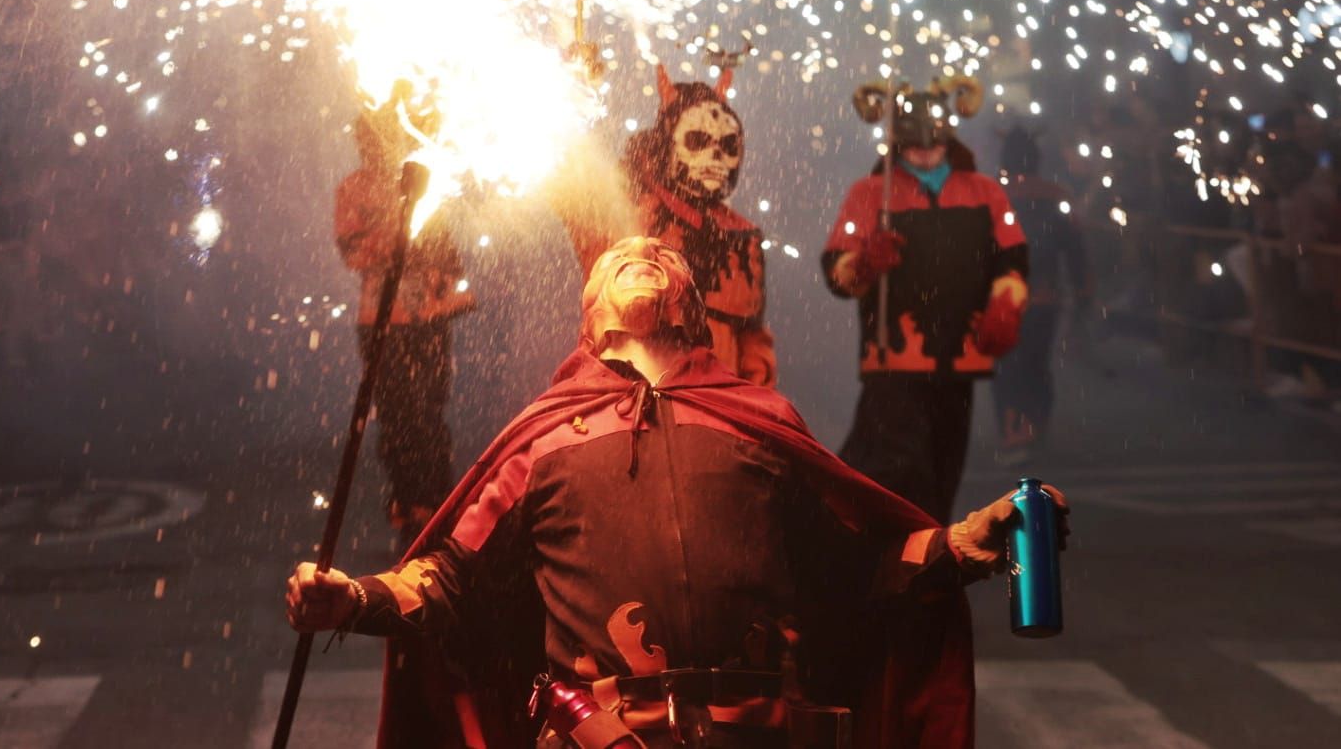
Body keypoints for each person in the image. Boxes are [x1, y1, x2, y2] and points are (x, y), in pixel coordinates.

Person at [286, 237, 1068, 748]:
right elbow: (450, 578)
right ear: (589, 322)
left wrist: (963, 544)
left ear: (692, 311)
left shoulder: (759, 421)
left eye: (661, 258)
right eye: (620, 260)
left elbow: (855, 566)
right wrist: (352, 601)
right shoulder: (544, 436)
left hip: (758, 734)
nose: (643, 255)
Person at [822, 78, 1029, 523]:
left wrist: (1005, 305)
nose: (923, 154)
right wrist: (864, 264)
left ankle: (923, 557)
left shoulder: (985, 192)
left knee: (941, 469)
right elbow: (837, 269)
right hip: (895, 357)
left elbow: (1013, 258)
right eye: (913, 146)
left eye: (932, 144)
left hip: (962, 357)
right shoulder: (869, 193)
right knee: (893, 469)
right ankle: (883, 553)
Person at [560, 64, 775, 386]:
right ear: (667, 144)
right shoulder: (630, 212)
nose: (716, 156)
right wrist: (571, 95)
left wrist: (756, 408)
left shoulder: (742, 237)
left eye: (728, 145)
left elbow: (752, 340)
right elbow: (574, 192)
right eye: (698, 140)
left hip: (717, 408)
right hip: (632, 401)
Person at [334, 90, 474, 543]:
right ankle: (408, 503)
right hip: (382, 323)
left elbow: (448, 257)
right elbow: (352, 252)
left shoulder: (422, 182)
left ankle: (434, 503)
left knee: (430, 412)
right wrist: (394, 233)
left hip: (427, 322)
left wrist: (442, 283)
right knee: (398, 416)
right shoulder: (355, 188)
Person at [990, 127, 1090, 463]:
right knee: (1036, 363)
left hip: (1003, 299)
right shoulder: (1057, 195)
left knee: (1007, 367)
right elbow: (1075, 250)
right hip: (1045, 298)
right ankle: (1037, 425)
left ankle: (1015, 432)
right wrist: (1082, 291)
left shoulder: (992, 196)